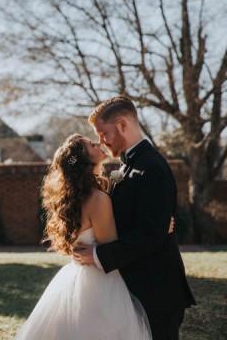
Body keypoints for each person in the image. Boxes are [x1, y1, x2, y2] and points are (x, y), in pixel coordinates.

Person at [72, 96, 195, 340]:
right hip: (135, 289)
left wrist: (96, 255)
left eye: (103, 133)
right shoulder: (126, 167)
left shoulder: (152, 167)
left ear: (123, 125)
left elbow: (149, 234)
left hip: (157, 294)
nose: (101, 141)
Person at [15, 133, 154, 339]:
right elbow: (111, 245)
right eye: (91, 143)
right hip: (101, 281)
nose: (98, 142)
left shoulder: (74, 198)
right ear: (85, 159)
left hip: (76, 276)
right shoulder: (97, 199)